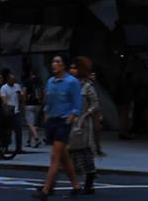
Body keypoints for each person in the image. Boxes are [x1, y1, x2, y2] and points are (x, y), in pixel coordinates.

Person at [32, 55, 82, 200]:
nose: (54, 64)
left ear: (63, 66)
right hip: (52, 121)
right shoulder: (51, 82)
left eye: (58, 62)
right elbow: (48, 101)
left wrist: (70, 118)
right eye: (53, 61)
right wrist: (47, 114)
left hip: (63, 121)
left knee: (55, 156)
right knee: (63, 156)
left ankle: (46, 190)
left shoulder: (72, 82)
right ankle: (76, 186)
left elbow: (77, 104)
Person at [69, 57, 99, 195]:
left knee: (84, 152)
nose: (71, 70)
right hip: (72, 122)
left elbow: (95, 104)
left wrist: (87, 114)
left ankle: (89, 181)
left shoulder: (87, 86)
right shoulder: (70, 84)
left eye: (74, 68)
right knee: (71, 153)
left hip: (83, 124)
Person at [1, 71, 25, 154]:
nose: (13, 81)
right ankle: (6, 147)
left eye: (14, 80)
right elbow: (4, 100)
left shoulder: (17, 86)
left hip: (16, 111)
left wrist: (21, 94)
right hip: (8, 112)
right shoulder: (4, 88)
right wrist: (7, 105)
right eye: (11, 79)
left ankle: (19, 148)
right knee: (8, 131)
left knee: (18, 130)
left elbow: (22, 100)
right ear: (8, 80)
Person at [23, 70, 44, 148]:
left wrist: (24, 102)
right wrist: (42, 102)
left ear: (31, 74)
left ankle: (36, 139)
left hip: (29, 104)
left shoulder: (27, 82)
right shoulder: (39, 82)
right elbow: (43, 92)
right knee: (32, 124)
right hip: (38, 104)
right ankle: (28, 141)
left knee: (30, 124)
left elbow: (24, 92)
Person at [88, 71, 104, 156]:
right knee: (91, 131)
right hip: (89, 111)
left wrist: (99, 113)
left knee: (97, 130)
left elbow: (96, 100)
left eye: (94, 75)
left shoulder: (95, 86)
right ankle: (94, 149)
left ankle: (97, 149)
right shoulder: (88, 85)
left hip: (95, 111)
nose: (93, 76)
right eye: (91, 74)